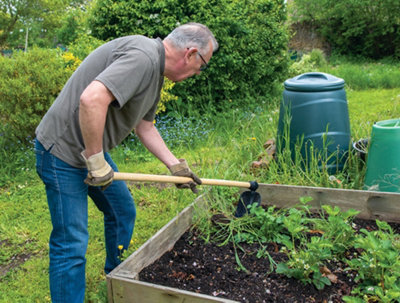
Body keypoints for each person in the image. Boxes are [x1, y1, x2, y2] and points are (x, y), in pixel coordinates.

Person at [34, 22, 218, 303]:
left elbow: (145, 126)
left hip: (89, 151)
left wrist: (174, 166)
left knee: (122, 212)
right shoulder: (143, 57)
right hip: (63, 152)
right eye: (202, 65)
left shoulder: (155, 70)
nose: (198, 72)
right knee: (71, 243)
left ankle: (116, 280)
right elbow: (91, 99)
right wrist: (96, 160)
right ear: (191, 53)